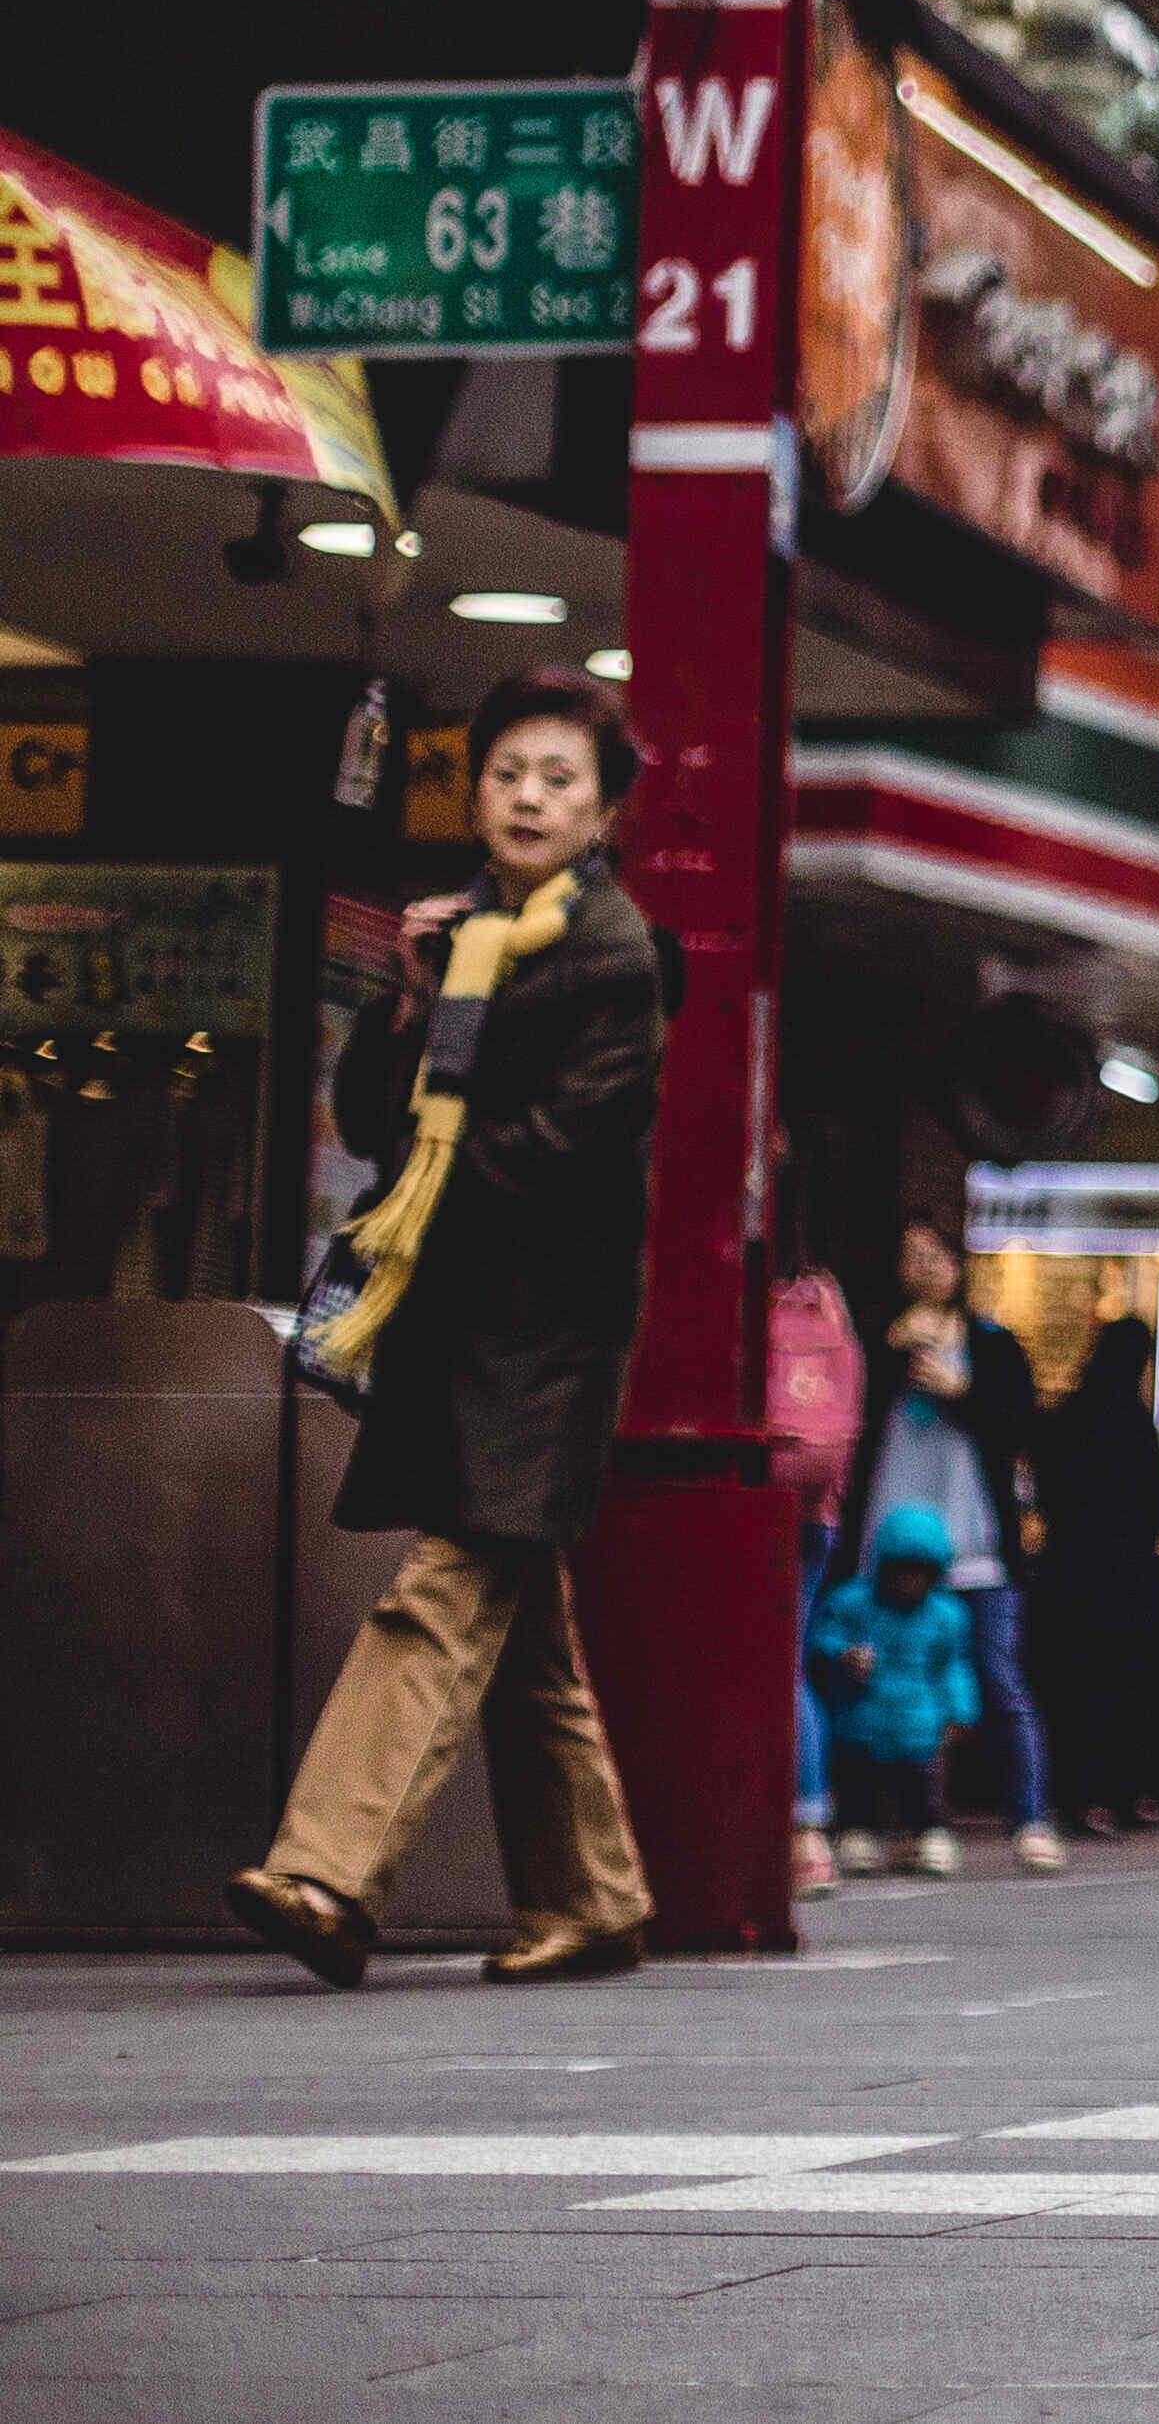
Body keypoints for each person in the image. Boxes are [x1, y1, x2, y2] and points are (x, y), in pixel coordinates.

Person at [228, 668, 671, 1988]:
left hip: (547, 1336)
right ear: (474, 787)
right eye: (509, 771)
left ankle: (326, 1869)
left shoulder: (612, 954)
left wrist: (444, 1161)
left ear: (603, 812)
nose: (530, 797)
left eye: (560, 779)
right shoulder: (459, 934)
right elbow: (370, 1119)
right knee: (522, 1626)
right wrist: (409, 999)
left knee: (442, 1592)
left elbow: (560, 1156)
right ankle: (590, 1895)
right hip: (455, 1319)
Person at [844, 1218, 1058, 1872]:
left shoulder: (991, 1345)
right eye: (911, 1256)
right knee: (870, 1680)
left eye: (936, 1254)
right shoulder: (879, 1342)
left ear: (958, 1264)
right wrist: (888, 1355)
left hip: (975, 1543)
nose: (925, 1266)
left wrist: (960, 1392)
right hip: (890, 1541)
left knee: (996, 1680)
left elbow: (1023, 1429)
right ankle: (876, 1823)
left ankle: (1029, 1818)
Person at [1029, 1314, 1159, 1838]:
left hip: (1068, 1572)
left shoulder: (1069, 1412)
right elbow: (1157, 1494)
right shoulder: (1132, 1420)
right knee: (1122, 1691)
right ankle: (1119, 1795)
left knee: (1074, 1688)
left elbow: (1044, 1482)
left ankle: (1075, 1796)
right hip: (1124, 1579)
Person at [805, 1501, 985, 1866]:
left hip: (920, 1723)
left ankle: (928, 1834)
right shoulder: (852, 1602)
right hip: (861, 1717)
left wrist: (960, 1711)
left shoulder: (947, 1615)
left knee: (922, 1787)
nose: (910, 1582)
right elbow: (819, 1637)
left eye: (920, 1573)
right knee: (858, 1782)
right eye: (902, 1571)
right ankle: (858, 1833)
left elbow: (954, 1667)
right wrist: (843, 1653)